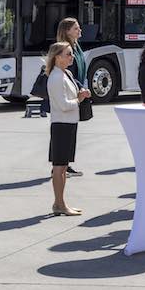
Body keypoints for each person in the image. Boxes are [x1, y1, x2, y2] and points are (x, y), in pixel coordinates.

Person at [45, 41, 91, 216]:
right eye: (68, 54)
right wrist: (79, 99)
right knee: (59, 166)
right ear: (57, 57)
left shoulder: (65, 74)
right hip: (62, 124)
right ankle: (59, 203)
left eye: (71, 53)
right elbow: (63, 105)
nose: (72, 57)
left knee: (63, 166)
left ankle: (60, 203)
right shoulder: (56, 77)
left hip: (68, 123)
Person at [55, 18, 88, 176]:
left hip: (76, 90)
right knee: (64, 130)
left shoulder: (76, 46)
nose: (80, 31)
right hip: (67, 92)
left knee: (71, 130)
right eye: (76, 28)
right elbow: (66, 71)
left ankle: (65, 165)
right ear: (67, 31)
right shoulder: (64, 48)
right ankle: (59, 167)